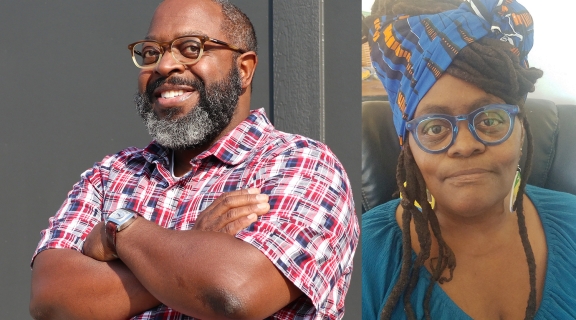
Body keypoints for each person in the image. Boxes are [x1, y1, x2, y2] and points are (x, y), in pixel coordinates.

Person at [29, 0, 359, 319]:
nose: (163, 65)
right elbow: (50, 298)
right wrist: (194, 246)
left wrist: (120, 231)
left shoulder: (300, 164)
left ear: (243, 69)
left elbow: (234, 293)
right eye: (151, 52)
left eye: (190, 48)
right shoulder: (110, 175)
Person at [362, 0, 576, 319]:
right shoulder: (360, 256)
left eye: (489, 119)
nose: (465, 145)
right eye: (434, 127)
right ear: (407, 146)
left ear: (521, 129)